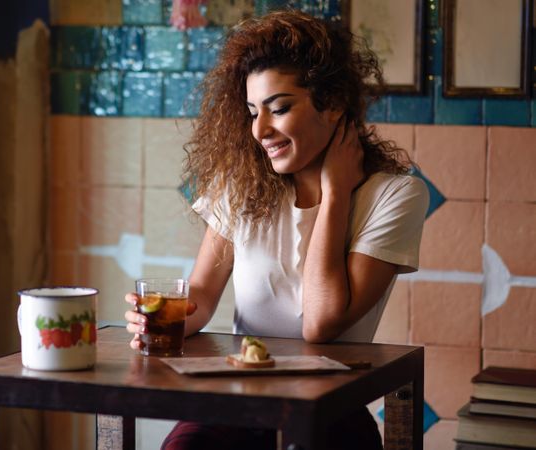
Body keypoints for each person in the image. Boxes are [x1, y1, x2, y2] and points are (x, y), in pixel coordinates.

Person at [124, 9, 429, 450]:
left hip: (331, 412)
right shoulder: (242, 185)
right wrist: (162, 318)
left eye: (279, 108)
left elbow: (321, 323)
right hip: (236, 401)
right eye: (252, 112)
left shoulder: (396, 195)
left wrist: (335, 192)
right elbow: (204, 295)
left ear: (335, 104)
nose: (260, 129)